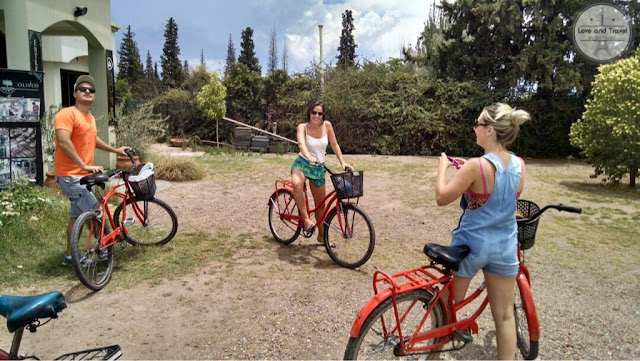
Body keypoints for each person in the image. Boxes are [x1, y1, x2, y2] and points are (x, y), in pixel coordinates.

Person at [435, 102, 529, 360]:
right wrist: (470, 172)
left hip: (472, 247)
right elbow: (503, 195)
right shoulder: (520, 165)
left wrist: (443, 168)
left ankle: (433, 346)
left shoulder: (476, 166)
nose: (474, 128)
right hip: (504, 248)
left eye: (477, 124)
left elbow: (442, 197)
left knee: (446, 304)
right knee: (505, 317)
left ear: (490, 130)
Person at [54, 74, 129, 264]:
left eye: (91, 90)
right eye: (82, 89)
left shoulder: (89, 118)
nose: (87, 91)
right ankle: (104, 249)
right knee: (96, 212)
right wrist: (83, 165)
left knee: (76, 216)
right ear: (74, 93)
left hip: (84, 176)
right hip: (71, 175)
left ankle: (70, 256)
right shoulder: (66, 114)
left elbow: (92, 140)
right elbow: (63, 141)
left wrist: (115, 149)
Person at [291, 100, 351, 243]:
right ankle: (306, 219)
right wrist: (308, 156)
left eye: (320, 113)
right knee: (296, 183)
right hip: (303, 163)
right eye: (314, 112)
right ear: (309, 112)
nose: (316, 116)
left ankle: (321, 235)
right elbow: (301, 143)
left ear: (323, 115)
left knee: (321, 205)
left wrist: (342, 162)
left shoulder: (327, 126)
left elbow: (334, 144)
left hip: (319, 167)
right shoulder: (302, 127)